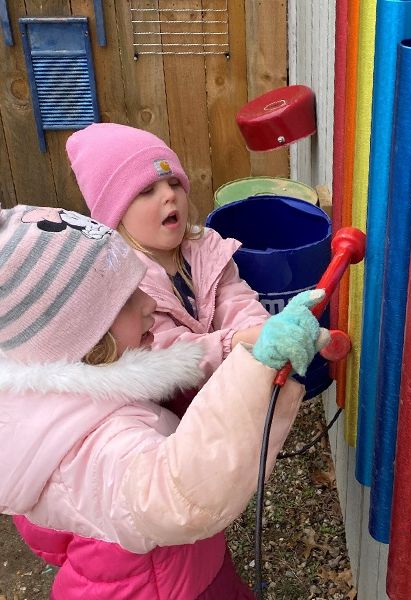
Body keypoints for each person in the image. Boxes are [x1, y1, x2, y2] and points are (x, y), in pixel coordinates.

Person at [0, 205, 330, 599]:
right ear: (76, 337)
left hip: (174, 569)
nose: (148, 304)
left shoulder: (65, 399)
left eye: (138, 286)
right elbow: (182, 496)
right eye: (124, 300)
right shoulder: (95, 439)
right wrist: (256, 367)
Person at [66, 123, 270, 416]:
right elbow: (163, 348)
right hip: (172, 417)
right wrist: (238, 342)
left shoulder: (205, 246)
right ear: (115, 215)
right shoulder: (123, 283)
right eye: (147, 190)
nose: (169, 195)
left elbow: (234, 298)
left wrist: (263, 331)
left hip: (229, 391)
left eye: (174, 183)